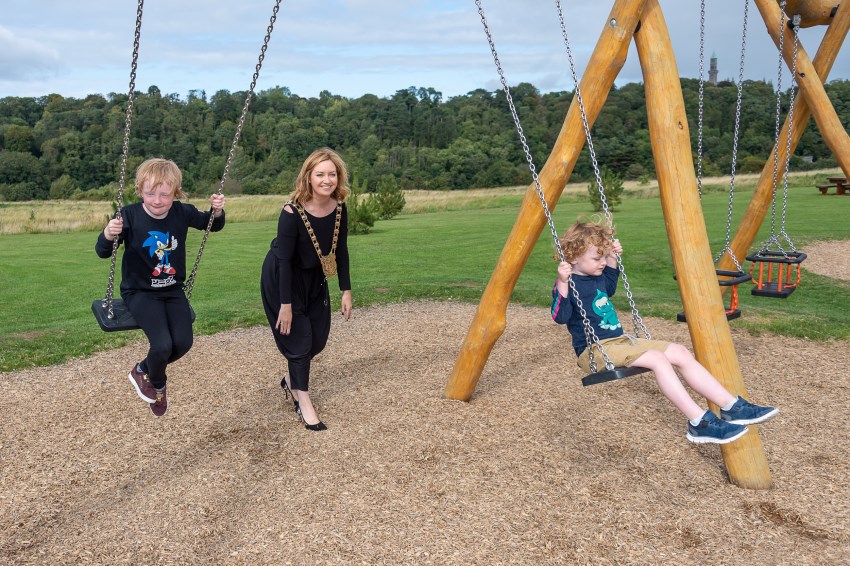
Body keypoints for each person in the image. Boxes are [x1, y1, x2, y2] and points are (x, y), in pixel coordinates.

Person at [551, 218, 778, 444]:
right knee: (657, 359)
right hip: (594, 351)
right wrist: (562, 282)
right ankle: (699, 422)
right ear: (572, 258)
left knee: (679, 352)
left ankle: (732, 407)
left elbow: (609, 286)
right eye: (596, 258)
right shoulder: (569, 283)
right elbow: (559, 317)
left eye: (602, 257)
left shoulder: (597, 277)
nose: (601, 263)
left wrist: (611, 257)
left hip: (618, 342)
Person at [96, 158, 225, 417]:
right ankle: (158, 383)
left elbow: (212, 224)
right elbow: (102, 251)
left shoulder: (183, 212)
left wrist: (218, 211)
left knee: (183, 343)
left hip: (172, 289)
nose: (157, 200)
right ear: (140, 190)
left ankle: (143, 369)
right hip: (140, 291)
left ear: (175, 193)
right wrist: (109, 233)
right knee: (163, 345)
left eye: (164, 194)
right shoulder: (129, 215)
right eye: (150, 193)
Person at [261, 147, 352, 431]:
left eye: (332, 174)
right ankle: (304, 402)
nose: (327, 180)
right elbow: (285, 261)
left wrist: (345, 290)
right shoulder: (292, 212)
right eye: (320, 174)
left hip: (315, 279)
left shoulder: (339, 208)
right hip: (283, 280)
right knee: (299, 345)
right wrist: (285, 306)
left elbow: (342, 251)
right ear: (308, 177)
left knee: (318, 341)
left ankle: (291, 380)